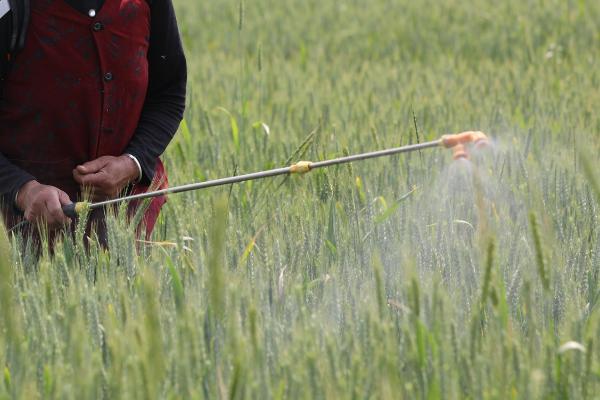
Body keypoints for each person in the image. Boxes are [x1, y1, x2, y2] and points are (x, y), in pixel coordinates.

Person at [0, 0, 187, 242]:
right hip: (24, 231)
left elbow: (168, 95)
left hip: (131, 226)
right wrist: (24, 190)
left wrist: (133, 163)